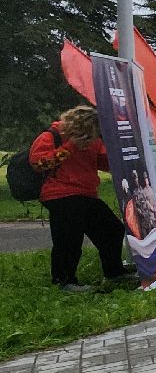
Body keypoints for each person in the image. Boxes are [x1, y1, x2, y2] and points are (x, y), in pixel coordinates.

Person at [28, 105, 131, 293]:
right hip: (60, 193)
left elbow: (102, 162)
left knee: (112, 230)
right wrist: (70, 146)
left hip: (86, 193)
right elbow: (40, 164)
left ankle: (114, 272)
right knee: (69, 238)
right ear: (76, 126)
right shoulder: (51, 136)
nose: (91, 139)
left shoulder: (93, 140)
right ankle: (64, 281)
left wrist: (120, 158)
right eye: (88, 134)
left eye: (94, 135)